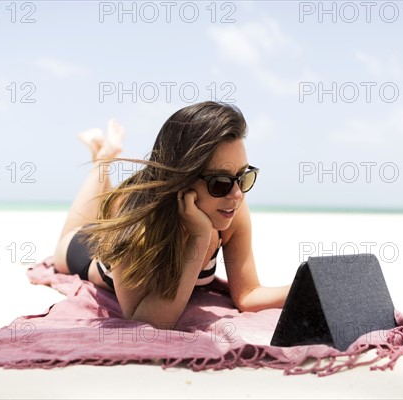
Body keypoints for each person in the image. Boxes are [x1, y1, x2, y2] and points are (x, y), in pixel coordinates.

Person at [53, 101, 290, 329]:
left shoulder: (230, 208)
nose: (237, 194)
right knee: (69, 239)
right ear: (182, 180)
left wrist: (311, 286)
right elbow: (145, 321)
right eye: (220, 182)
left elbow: (248, 295)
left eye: (243, 176)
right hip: (86, 248)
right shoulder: (139, 229)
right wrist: (199, 238)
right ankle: (104, 158)